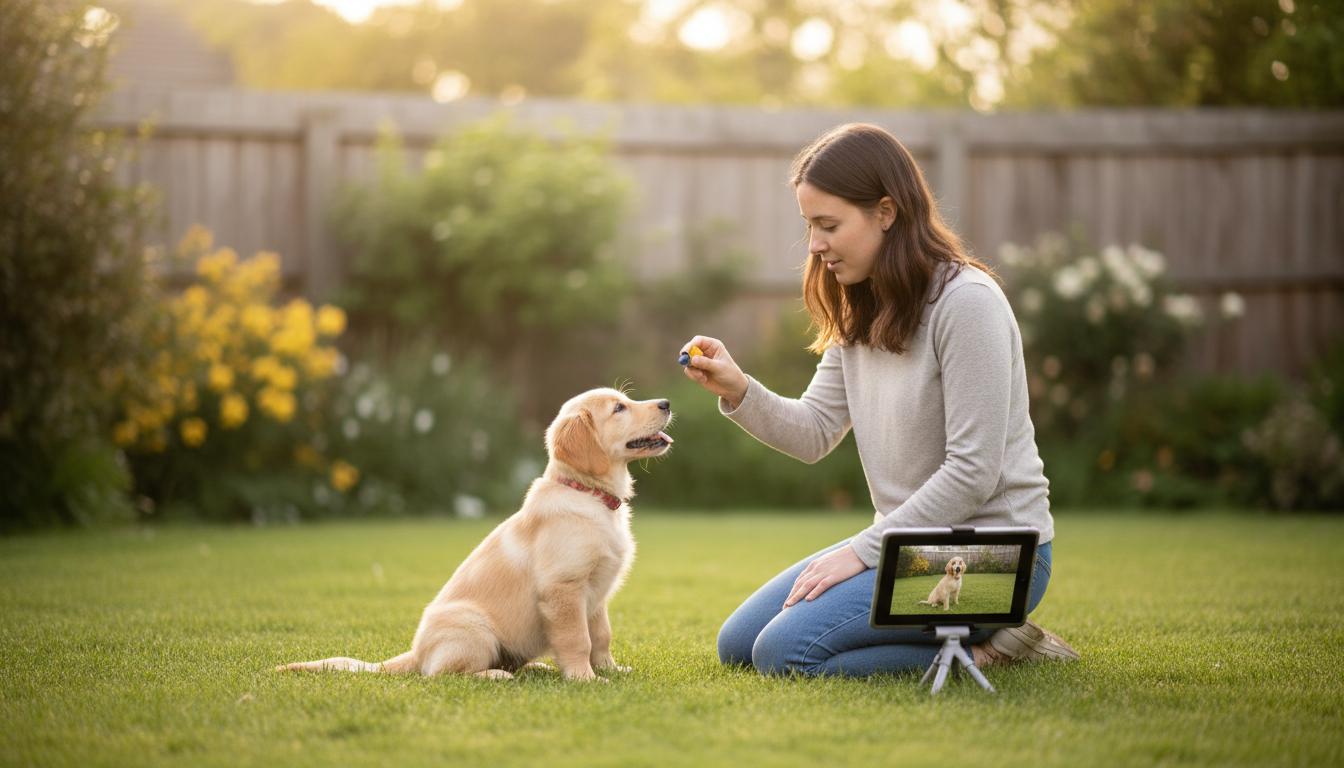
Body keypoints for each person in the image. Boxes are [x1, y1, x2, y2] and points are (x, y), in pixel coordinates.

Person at [680, 123, 1079, 677]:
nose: (815, 245)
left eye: (829, 225)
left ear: (886, 213)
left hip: (997, 558)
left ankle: (993, 646)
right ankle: (970, 640)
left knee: (781, 653)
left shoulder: (967, 305)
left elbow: (973, 472)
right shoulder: (859, 309)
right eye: (809, 226)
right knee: (739, 644)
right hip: (903, 548)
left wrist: (861, 551)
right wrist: (739, 389)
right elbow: (815, 430)